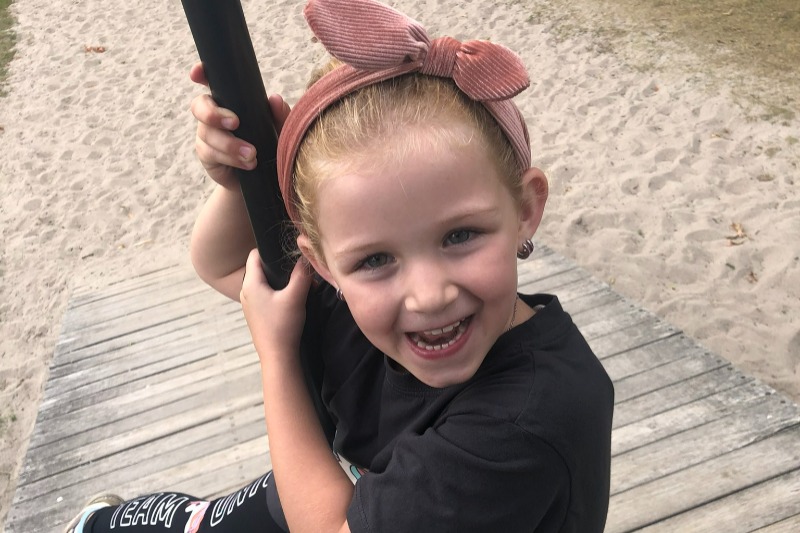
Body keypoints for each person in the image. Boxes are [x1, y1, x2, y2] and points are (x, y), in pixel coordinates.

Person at [65, 0, 614, 531]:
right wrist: (241, 181)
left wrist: (277, 357)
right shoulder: (355, 297)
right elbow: (224, 264)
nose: (428, 295)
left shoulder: (526, 421)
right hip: (337, 485)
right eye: (375, 259)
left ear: (525, 209)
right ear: (321, 263)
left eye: (460, 235)